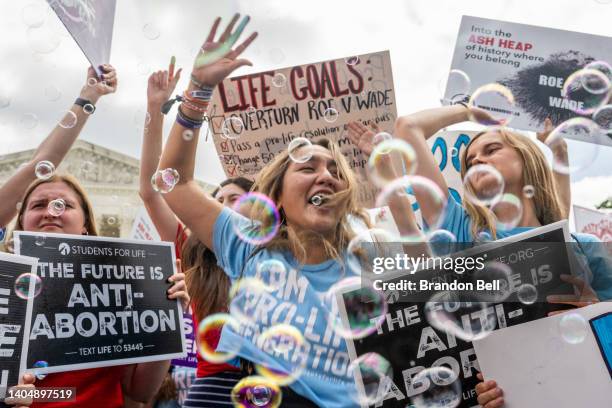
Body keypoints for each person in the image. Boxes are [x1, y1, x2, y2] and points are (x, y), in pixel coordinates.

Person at [156, 14, 401, 407]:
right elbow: (173, 181)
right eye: (308, 168)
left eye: (336, 171)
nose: (326, 176)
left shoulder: (376, 258)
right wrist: (199, 91)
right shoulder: (249, 245)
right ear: (278, 196)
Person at [380, 105, 611, 408]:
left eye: (491, 149)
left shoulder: (584, 246)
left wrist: (596, 312)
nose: (478, 161)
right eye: (470, 161)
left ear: (526, 157)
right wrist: (471, 110)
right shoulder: (460, 230)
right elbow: (408, 126)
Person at [6, 173, 189, 407]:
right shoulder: (6, 284)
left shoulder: (119, 287)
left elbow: (140, 390)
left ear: (85, 225)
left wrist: (169, 318)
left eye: (65, 205)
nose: (50, 212)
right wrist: (12, 396)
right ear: (22, 221)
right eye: (38, 205)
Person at [139, 60, 254, 407]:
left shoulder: (279, 249)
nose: (224, 206)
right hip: (216, 388)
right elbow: (152, 189)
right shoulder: (194, 248)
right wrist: (155, 110)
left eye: (236, 198)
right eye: (217, 201)